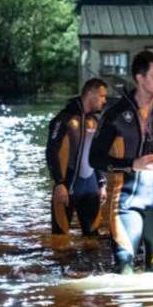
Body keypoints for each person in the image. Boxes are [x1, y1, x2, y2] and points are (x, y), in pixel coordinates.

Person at [89, 51, 153, 274]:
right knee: (124, 268)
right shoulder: (115, 114)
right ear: (140, 78)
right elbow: (95, 158)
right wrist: (131, 164)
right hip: (126, 201)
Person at [46, 78, 108, 236]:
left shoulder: (94, 121)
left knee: (92, 241)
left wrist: (102, 183)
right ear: (91, 94)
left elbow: (98, 155)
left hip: (91, 188)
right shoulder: (64, 119)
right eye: (102, 96)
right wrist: (59, 183)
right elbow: (51, 151)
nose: (104, 100)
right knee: (60, 242)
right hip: (67, 187)